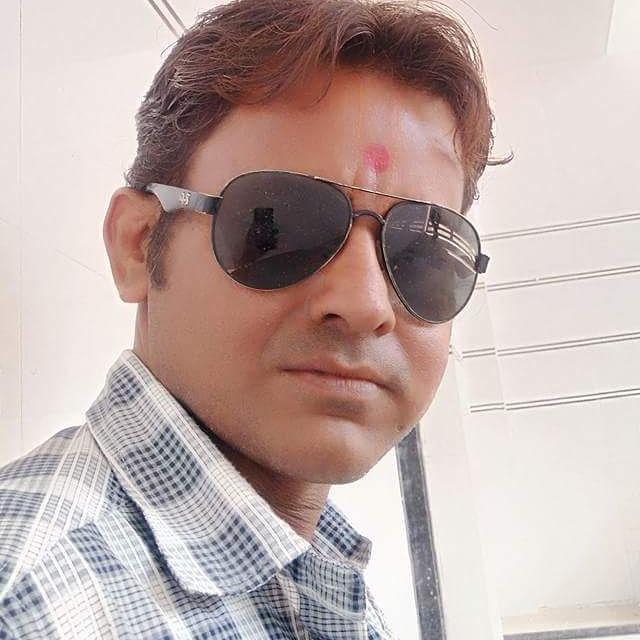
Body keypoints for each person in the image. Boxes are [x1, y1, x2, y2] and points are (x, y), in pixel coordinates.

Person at [0, 0, 508, 637]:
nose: (366, 304)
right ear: (138, 246)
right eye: (278, 227)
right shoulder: (30, 601)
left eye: (425, 252)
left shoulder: (323, 573)